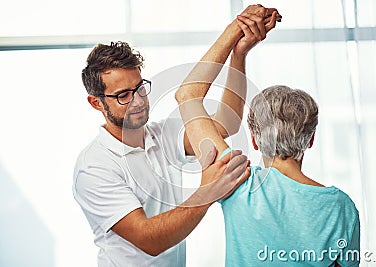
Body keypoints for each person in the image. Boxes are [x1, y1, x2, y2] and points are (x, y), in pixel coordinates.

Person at [73, 4, 280, 266]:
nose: (137, 101)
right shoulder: (94, 166)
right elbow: (149, 240)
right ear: (96, 103)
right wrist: (207, 192)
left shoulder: (163, 135)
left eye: (140, 88)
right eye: (123, 95)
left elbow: (227, 123)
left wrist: (238, 54)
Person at [175, 10, 360, 267]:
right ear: (310, 139)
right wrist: (240, 52)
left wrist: (236, 34)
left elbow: (187, 96)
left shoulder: (237, 183)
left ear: (253, 139)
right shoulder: (342, 207)